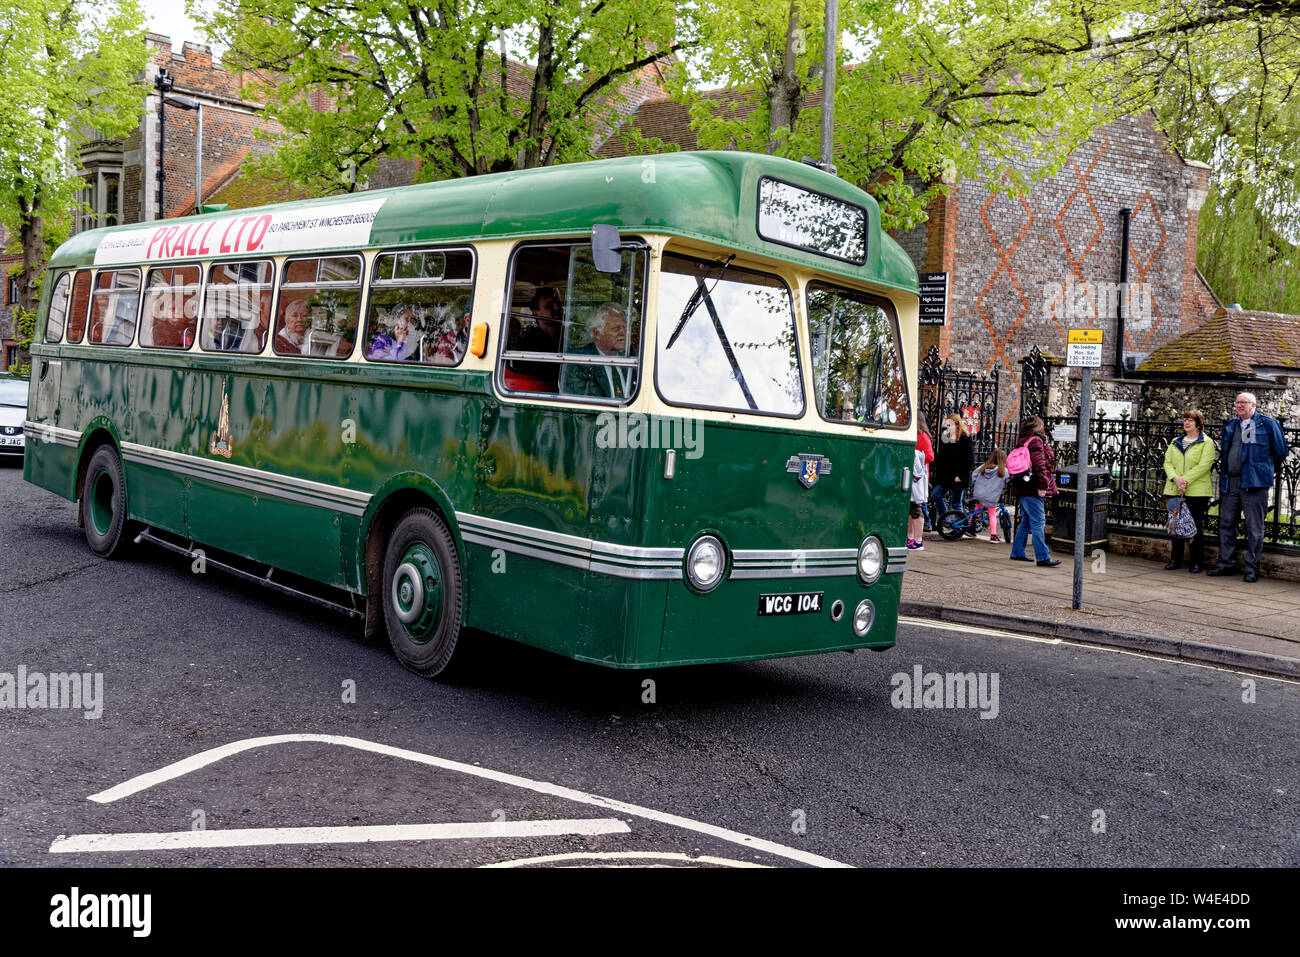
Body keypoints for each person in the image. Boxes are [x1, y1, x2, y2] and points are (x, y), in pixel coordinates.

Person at [1207, 392, 1289, 582]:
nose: (1239, 405)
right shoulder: (1231, 424)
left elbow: (1280, 451)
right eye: (1237, 402)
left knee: (1254, 528)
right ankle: (1225, 564)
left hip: (1255, 483)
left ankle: (1252, 569)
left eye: (1244, 402)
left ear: (1253, 405)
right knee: (1227, 524)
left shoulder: (1267, 424)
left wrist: (1260, 469)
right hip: (1232, 481)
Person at [1162, 409, 1215, 573]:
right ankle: (1175, 560)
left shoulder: (1207, 443)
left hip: (1197, 492)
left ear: (1199, 424)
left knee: (1195, 527)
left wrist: (1185, 480)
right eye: (1185, 420)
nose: (1186, 423)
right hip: (1174, 489)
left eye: (1190, 420)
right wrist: (1176, 479)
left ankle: (1196, 561)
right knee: (1175, 525)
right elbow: (1167, 463)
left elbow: (1204, 465)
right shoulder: (1175, 441)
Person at [1008, 415, 1060, 567]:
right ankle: (1043, 557)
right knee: (1038, 522)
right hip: (1033, 487)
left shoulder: (1022, 440)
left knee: (1026, 521)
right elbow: (1040, 466)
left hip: (1021, 485)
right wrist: (1043, 486)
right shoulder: (1036, 441)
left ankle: (1017, 552)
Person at [562, 303, 632, 398]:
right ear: (597, 333)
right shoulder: (578, 362)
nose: (623, 332)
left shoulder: (631, 357)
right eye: (616, 328)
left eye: (624, 327)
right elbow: (582, 407)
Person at [931, 413, 973, 516]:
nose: (948, 427)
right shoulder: (946, 437)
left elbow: (969, 460)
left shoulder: (965, 438)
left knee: (956, 503)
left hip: (958, 476)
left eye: (950, 425)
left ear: (957, 425)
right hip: (946, 475)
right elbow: (941, 457)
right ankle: (945, 520)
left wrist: (961, 475)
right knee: (936, 495)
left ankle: (958, 528)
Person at [970, 448, 1010, 543]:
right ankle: (993, 536)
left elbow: (973, 476)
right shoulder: (1003, 471)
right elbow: (1009, 481)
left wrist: (976, 484)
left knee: (977, 510)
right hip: (991, 496)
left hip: (979, 493)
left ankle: (970, 528)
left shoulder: (983, 467)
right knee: (992, 514)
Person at [908, 413, 934, 550]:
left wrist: (916, 453)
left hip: (918, 478)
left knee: (917, 508)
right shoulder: (914, 435)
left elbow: (930, 456)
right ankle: (910, 537)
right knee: (910, 509)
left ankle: (918, 539)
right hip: (911, 475)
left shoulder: (923, 436)